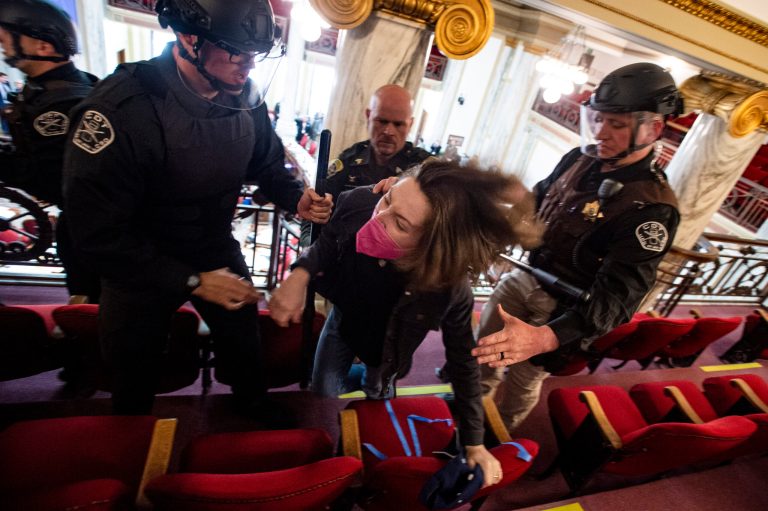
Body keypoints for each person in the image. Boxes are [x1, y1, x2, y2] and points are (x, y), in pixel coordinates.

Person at [62, 0, 333, 419]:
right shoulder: (122, 110)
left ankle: (250, 411)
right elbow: (96, 233)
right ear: (190, 38)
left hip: (210, 244)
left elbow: (266, 163)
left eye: (255, 54)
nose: (248, 66)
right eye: (236, 52)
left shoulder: (244, 95)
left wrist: (295, 197)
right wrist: (191, 281)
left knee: (245, 344)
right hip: (138, 261)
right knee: (132, 373)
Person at [269, 159, 543, 487]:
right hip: (346, 318)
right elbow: (328, 243)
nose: (377, 217)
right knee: (324, 387)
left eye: (400, 223)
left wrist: (473, 441)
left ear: (431, 246)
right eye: (388, 199)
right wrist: (299, 274)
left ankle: (371, 386)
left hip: (389, 348)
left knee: (376, 395)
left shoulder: (449, 289)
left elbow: (463, 361)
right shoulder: (359, 202)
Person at [471, 62, 683, 432]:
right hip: (526, 276)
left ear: (653, 128)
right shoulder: (578, 159)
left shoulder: (652, 207)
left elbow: (618, 299)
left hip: (562, 308)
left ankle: (496, 434)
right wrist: (500, 236)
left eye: (616, 124)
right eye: (598, 119)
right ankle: (472, 405)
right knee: (485, 349)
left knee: (523, 379)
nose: (601, 132)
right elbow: (537, 200)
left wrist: (544, 337)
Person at [0, 0, 99, 301]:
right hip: (83, 221)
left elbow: (52, 179)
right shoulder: (64, 87)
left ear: (43, 46)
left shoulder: (59, 103)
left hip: (90, 227)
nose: (3, 46)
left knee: (89, 301)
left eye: (8, 38)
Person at [324, 84, 431, 202]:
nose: (388, 132)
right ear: (368, 116)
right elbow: (325, 197)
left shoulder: (424, 169)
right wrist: (321, 205)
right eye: (382, 121)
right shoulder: (349, 159)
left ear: (410, 124)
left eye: (398, 124)